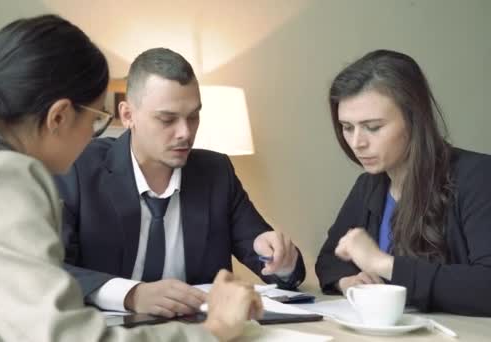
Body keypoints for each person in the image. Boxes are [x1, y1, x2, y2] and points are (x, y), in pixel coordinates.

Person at [0, 15, 264, 342]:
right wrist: (213, 329)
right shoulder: (0, 178)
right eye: (97, 118)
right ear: (60, 116)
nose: (96, 135)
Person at [55, 47, 306, 318]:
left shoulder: (216, 172)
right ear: (128, 115)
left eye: (193, 117)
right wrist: (132, 294)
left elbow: (280, 272)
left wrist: (281, 261)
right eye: (167, 119)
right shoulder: (78, 167)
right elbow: (50, 270)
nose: (185, 133)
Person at [315, 49, 491, 316]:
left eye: (373, 127)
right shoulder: (368, 185)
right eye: (347, 127)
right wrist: (348, 282)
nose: (357, 143)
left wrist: (382, 264)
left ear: (414, 119)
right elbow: (329, 261)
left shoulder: (477, 175)